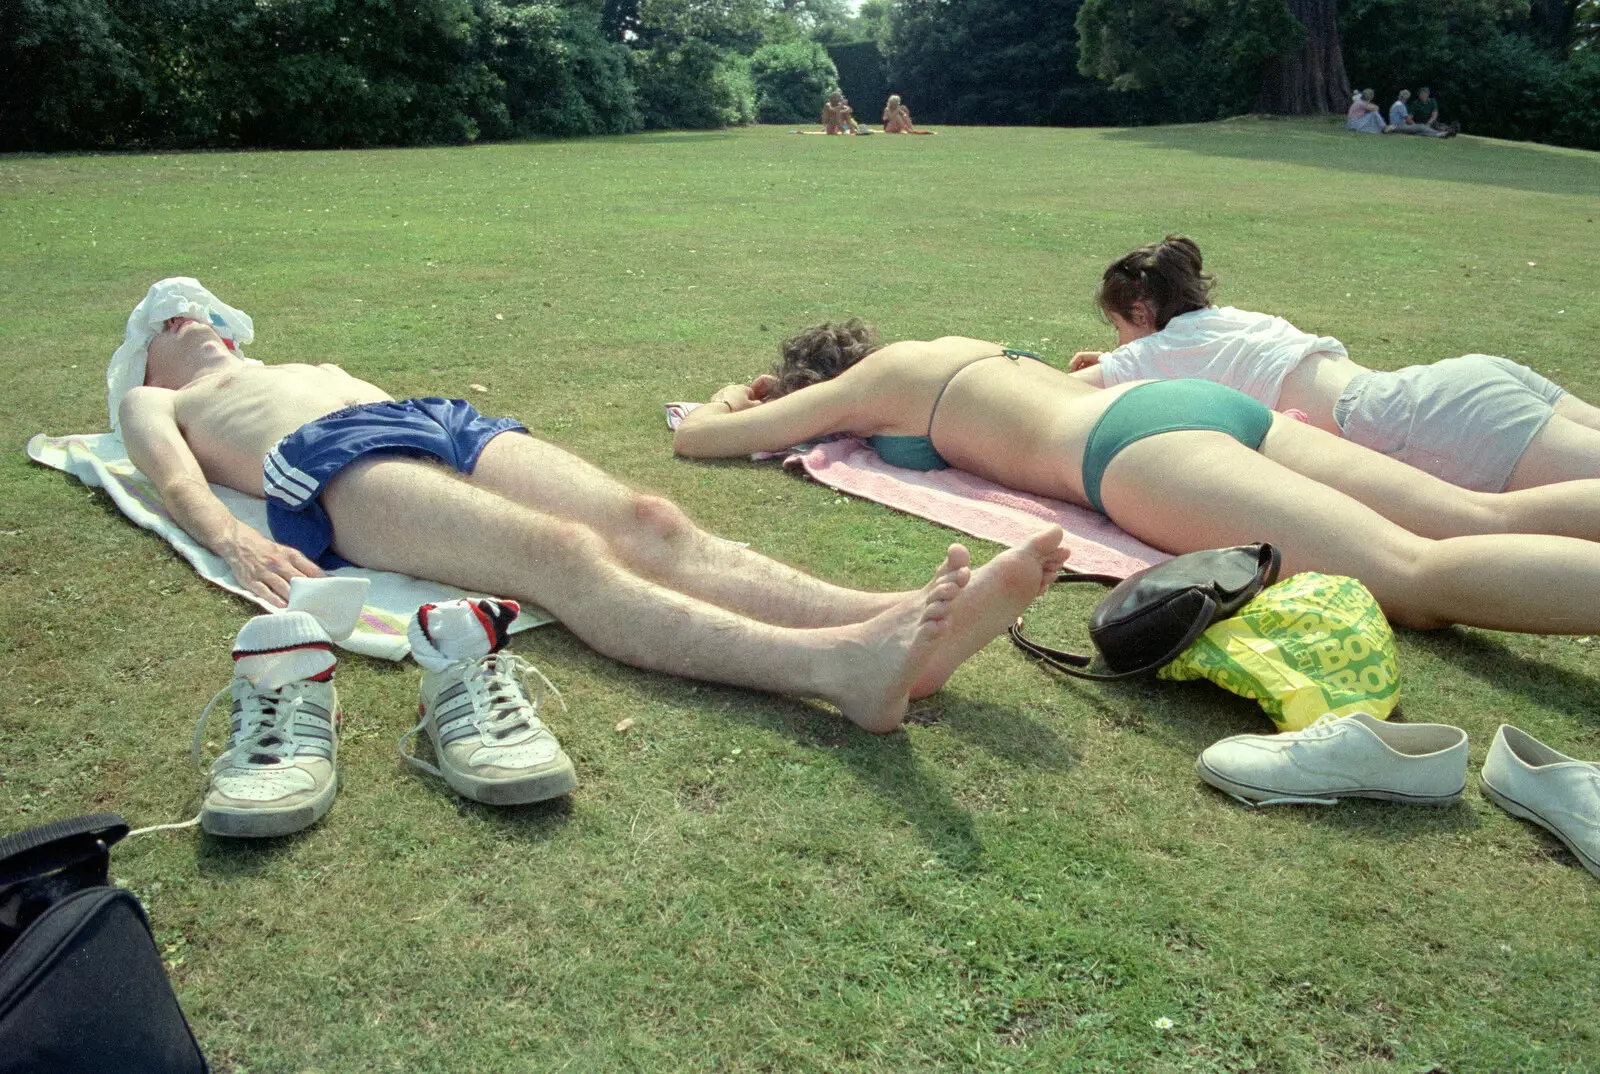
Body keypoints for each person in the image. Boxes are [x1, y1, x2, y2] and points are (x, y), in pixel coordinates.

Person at [110, 280, 1070, 829]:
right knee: (562, 553)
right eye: (162, 323)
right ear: (146, 361)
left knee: (650, 519)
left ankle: (891, 619)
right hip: (323, 465)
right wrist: (232, 536)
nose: (181, 316)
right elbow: (176, 482)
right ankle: (838, 669)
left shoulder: (287, 364)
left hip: (431, 419)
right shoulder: (157, 400)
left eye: (194, 309)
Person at [674, 318, 1600, 645]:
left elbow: (706, 442)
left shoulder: (868, 390)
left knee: (1412, 580)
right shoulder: (957, 347)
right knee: (1479, 514)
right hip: (1190, 405)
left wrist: (727, 399)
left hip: (1136, 452)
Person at [1068, 236, 1600, 493]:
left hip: (1409, 423)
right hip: (1455, 383)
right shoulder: (1231, 320)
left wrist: (1117, 363)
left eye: (1118, 327)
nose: (1119, 343)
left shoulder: (1152, 352)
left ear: (1140, 311)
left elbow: (1053, 396)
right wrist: (1123, 357)